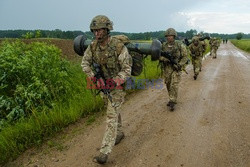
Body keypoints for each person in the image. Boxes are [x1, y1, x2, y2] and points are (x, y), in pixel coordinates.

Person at [81, 15, 132, 164]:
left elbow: (126, 69)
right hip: (103, 87)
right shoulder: (92, 47)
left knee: (111, 117)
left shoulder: (118, 47)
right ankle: (120, 132)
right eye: (94, 30)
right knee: (114, 111)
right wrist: (95, 79)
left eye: (100, 30)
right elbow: (85, 64)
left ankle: (104, 152)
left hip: (117, 87)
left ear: (107, 30)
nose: (97, 33)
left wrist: (114, 82)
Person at [159, 28, 188, 111]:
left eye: (170, 36)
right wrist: (164, 59)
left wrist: (180, 65)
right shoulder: (163, 46)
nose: (169, 37)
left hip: (176, 68)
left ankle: (172, 101)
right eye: (167, 36)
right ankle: (171, 97)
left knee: (174, 84)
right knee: (168, 84)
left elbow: (185, 56)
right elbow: (158, 56)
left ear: (174, 36)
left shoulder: (179, 45)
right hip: (167, 68)